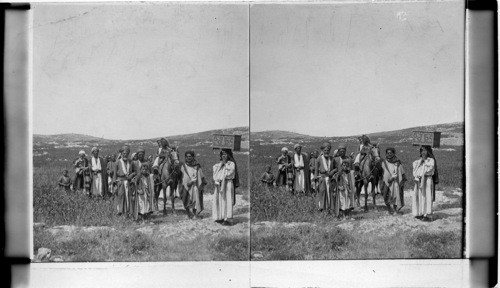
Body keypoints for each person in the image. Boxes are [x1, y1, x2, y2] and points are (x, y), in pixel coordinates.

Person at [212, 149, 239, 226]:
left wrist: (224, 165)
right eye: (222, 154)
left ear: (228, 155)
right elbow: (215, 174)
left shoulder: (231, 164)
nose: (224, 156)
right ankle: (220, 217)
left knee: (227, 200)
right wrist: (221, 165)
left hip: (227, 184)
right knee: (219, 199)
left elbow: (229, 173)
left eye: (225, 154)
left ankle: (228, 219)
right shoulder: (218, 165)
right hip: (219, 184)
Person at [412, 145, 436, 221]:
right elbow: (415, 171)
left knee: (427, 196)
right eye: (422, 151)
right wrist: (420, 162)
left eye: (425, 151)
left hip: (427, 180)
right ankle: (420, 213)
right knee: (419, 196)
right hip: (419, 181)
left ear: (428, 152)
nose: (423, 152)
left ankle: (427, 215)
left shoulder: (431, 160)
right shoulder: (417, 161)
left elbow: (430, 168)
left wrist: (424, 162)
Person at [180, 150, 207, 219]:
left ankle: (195, 214)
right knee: (185, 199)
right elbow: (180, 175)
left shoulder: (197, 166)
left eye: (190, 156)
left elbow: (201, 175)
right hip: (186, 186)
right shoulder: (183, 166)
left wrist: (202, 182)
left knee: (195, 200)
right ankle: (188, 213)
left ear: (193, 157)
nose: (188, 158)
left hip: (195, 186)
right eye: (187, 156)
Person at [381, 147, 407, 215]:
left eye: (391, 153)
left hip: (395, 182)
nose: (389, 154)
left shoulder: (397, 162)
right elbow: (382, 172)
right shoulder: (384, 162)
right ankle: (389, 208)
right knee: (385, 195)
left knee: (395, 196)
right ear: (386, 154)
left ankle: (395, 209)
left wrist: (401, 179)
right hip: (386, 182)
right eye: (388, 153)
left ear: (393, 153)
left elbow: (401, 172)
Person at [113, 146, 136, 217]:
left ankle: (127, 213)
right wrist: (115, 184)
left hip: (128, 182)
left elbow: (135, 171)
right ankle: (119, 213)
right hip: (120, 182)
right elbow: (114, 174)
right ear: (121, 154)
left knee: (128, 198)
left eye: (126, 153)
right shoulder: (117, 162)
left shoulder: (131, 162)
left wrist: (131, 175)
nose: (125, 155)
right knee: (120, 197)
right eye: (123, 153)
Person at [315, 142, 335, 214]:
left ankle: (330, 210)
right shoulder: (318, 159)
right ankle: (322, 210)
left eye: (328, 150)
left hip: (329, 179)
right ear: (323, 151)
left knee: (330, 194)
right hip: (322, 179)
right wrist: (316, 181)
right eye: (325, 150)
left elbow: (335, 168)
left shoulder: (332, 159)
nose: (326, 152)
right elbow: (316, 171)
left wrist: (332, 172)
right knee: (322, 193)